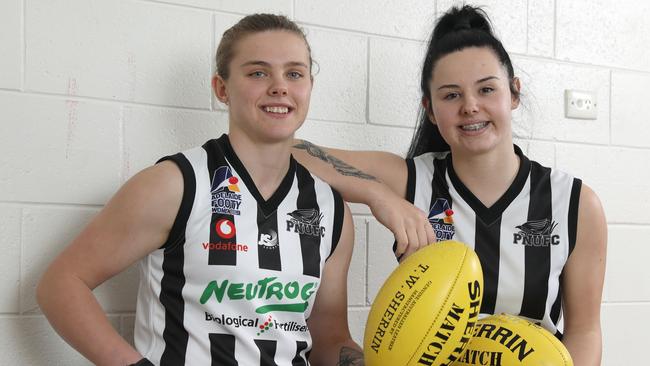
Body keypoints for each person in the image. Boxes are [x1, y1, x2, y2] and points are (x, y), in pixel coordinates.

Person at [37, 14, 364, 366]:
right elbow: (61, 284)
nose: (279, 86)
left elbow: (330, 338)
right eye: (258, 72)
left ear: (309, 86)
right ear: (222, 88)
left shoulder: (330, 208)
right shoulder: (174, 185)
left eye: (294, 73)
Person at [292, 5, 606, 365]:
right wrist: (378, 195)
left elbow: (585, 330)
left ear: (514, 93)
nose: (470, 107)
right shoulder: (411, 179)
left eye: (487, 89)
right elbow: (289, 151)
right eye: (451, 95)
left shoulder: (574, 202)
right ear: (430, 108)